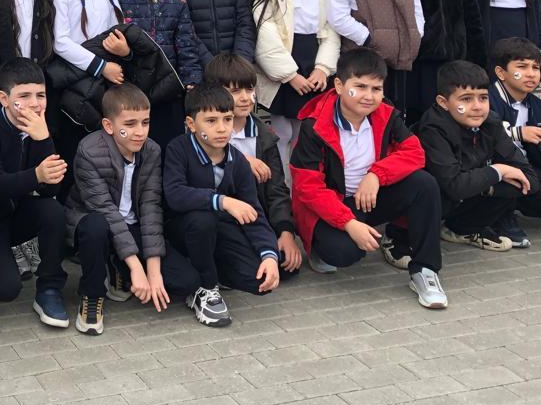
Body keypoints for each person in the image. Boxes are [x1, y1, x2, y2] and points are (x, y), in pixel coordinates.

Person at [290, 48, 447, 309]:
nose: (369, 96)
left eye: (376, 88)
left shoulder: (387, 114)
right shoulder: (314, 125)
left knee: (424, 184)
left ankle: (425, 271)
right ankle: (318, 246)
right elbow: (308, 188)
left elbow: (415, 153)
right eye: (360, 86)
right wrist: (349, 223)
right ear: (339, 86)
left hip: (369, 197)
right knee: (345, 252)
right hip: (331, 205)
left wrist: (376, 174)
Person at [65, 84, 194, 335]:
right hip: (96, 223)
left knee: (185, 281)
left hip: (131, 225)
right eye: (130, 124)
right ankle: (92, 295)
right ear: (109, 126)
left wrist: (153, 271)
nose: (140, 132)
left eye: (145, 122)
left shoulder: (152, 150)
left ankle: (118, 267)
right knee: (95, 227)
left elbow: (150, 206)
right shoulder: (89, 151)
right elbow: (105, 210)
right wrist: (137, 268)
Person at [163, 84, 283, 327]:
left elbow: (253, 212)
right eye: (211, 121)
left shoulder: (237, 160)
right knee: (202, 220)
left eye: (227, 119)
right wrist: (222, 200)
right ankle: (206, 288)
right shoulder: (178, 149)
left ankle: (211, 267)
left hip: (216, 231)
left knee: (258, 279)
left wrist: (269, 254)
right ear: (191, 124)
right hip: (179, 230)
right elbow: (175, 194)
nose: (221, 128)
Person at [0, 58, 70, 328]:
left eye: (40, 95)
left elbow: (52, 189)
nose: (35, 103)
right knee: (6, 290)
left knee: (54, 211)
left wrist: (43, 140)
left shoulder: (41, 129)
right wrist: (36, 175)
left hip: (19, 214)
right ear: (4, 98)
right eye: (24, 96)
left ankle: (49, 289)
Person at [415, 61, 541, 252]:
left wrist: (486, 186)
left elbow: (530, 180)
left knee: (521, 184)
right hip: (435, 200)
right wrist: (498, 171)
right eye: (466, 99)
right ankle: (399, 237)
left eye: (483, 98)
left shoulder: (491, 122)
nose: (477, 107)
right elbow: (454, 186)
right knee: (430, 187)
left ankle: (461, 229)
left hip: (466, 190)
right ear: (443, 102)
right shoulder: (433, 129)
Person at [249, 0, 339, 166]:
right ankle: (282, 185)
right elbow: (265, 29)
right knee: (282, 131)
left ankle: (304, 184)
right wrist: (290, 75)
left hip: (314, 56)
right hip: (285, 58)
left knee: (307, 130)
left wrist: (323, 68)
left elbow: (331, 26)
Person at [204, 54, 302, 276]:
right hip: (218, 214)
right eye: (235, 91)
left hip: (253, 216)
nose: (245, 98)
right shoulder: (203, 131)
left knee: (285, 263)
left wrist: (286, 232)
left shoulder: (264, 135)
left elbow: (276, 189)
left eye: (249, 90)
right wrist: (239, 160)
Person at [114, 0, 205, 147]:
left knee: (169, 147)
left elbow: (187, 45)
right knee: (133, 147)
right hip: (131, 91)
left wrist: (192, 81)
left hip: (170, 91)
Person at [48, 0, 129, 165]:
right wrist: (101, 67)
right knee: (79, 149)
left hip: (108, 81)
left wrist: (124, 50)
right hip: (76, 81)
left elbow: (118, 29)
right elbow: (61, 42)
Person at [487, 37, 541, 244]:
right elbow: (482, 131)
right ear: (501, 72)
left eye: (535, 67)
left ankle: (516, 204)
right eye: (522, 66)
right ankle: (500, 215)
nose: (531, 73)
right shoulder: (486, 98)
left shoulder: (538, 105)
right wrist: (518, 133)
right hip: (492, 166)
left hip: (526, 165)